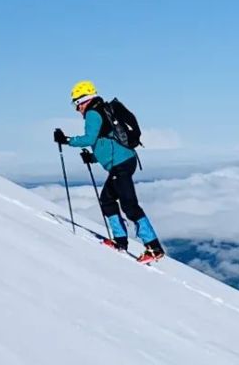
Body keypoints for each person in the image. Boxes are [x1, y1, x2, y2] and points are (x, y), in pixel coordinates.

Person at [54, 80, 165, 264]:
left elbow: (89, 138)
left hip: (120, 164)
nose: (77, 109)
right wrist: (93, 158)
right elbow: (107, 142)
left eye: (76, 103)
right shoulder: (102, 110)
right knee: (107, 199)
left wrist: (66, 140)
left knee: (129, 205)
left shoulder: (92, 113)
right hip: (124, 161)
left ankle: (153, 248)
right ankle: (120, 241)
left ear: (85, 99)